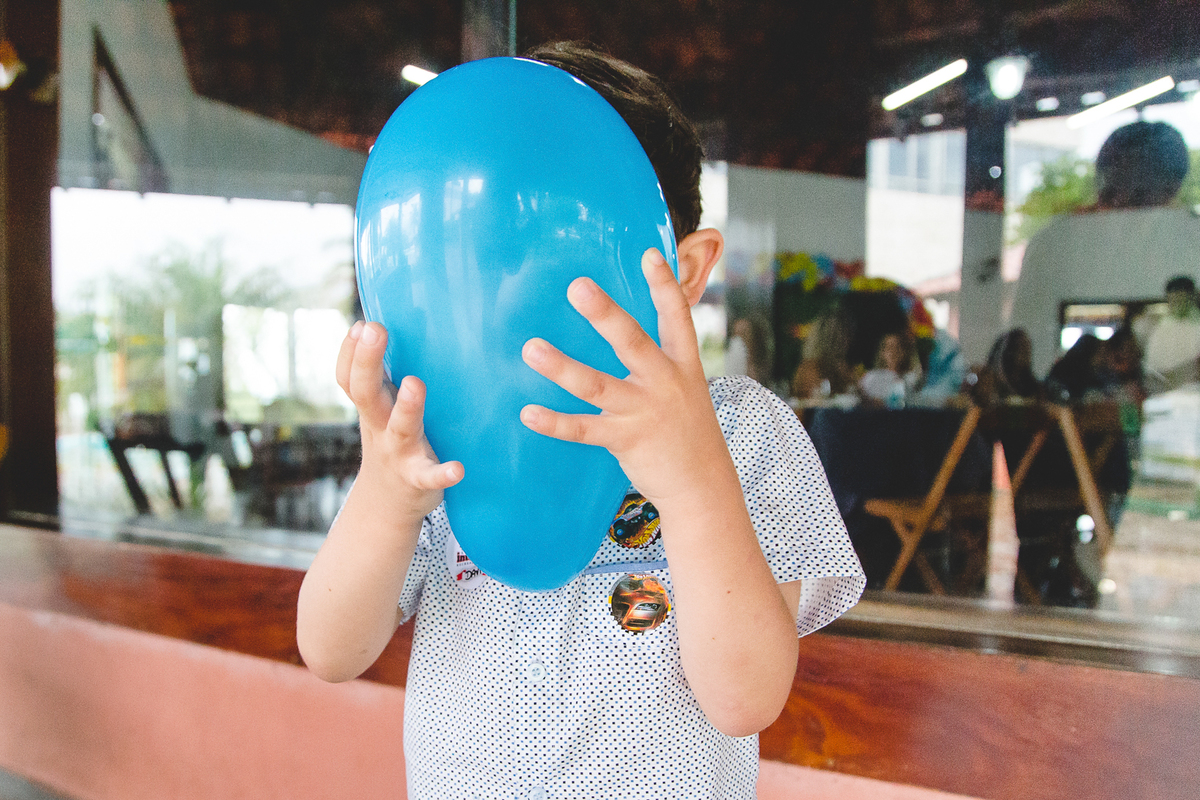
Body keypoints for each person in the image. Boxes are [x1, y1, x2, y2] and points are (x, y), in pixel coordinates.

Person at [296, 41, 865, 800]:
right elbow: (331, 650)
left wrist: (694, 484)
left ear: (687, 267)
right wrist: (386, 495)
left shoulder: (744, 432)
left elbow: (746, 700)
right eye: (496, 254)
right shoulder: (437, 426)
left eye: (564, 249)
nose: (519, 284)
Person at [1010, 120, 1200, 377]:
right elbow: (1023, 352)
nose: (1121, 208)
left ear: (1172, 189)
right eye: (1110, 194)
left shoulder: (1193, 243)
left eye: (1140, 196)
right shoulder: (1055, 246)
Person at [1144, 275, 1200, 392]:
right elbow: (1152, 369)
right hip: (1166, 392)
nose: (1178, 302)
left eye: (1182, 297)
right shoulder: (1160, 328)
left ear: (1192, 297)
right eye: (1174, 298)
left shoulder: (1197, 324)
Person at [858, 330, 920, 406]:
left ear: (904, 352)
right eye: (889, 348)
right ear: (882, 352)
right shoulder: (870, 377)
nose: (893, 352)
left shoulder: (911, 378)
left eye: (897, 348)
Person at [984, 328, 1043, 402]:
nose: (1027, 356)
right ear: (1010, 352)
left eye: (1028, 350)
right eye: (1022, 349)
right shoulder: (994, 381)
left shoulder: (1031, 385)